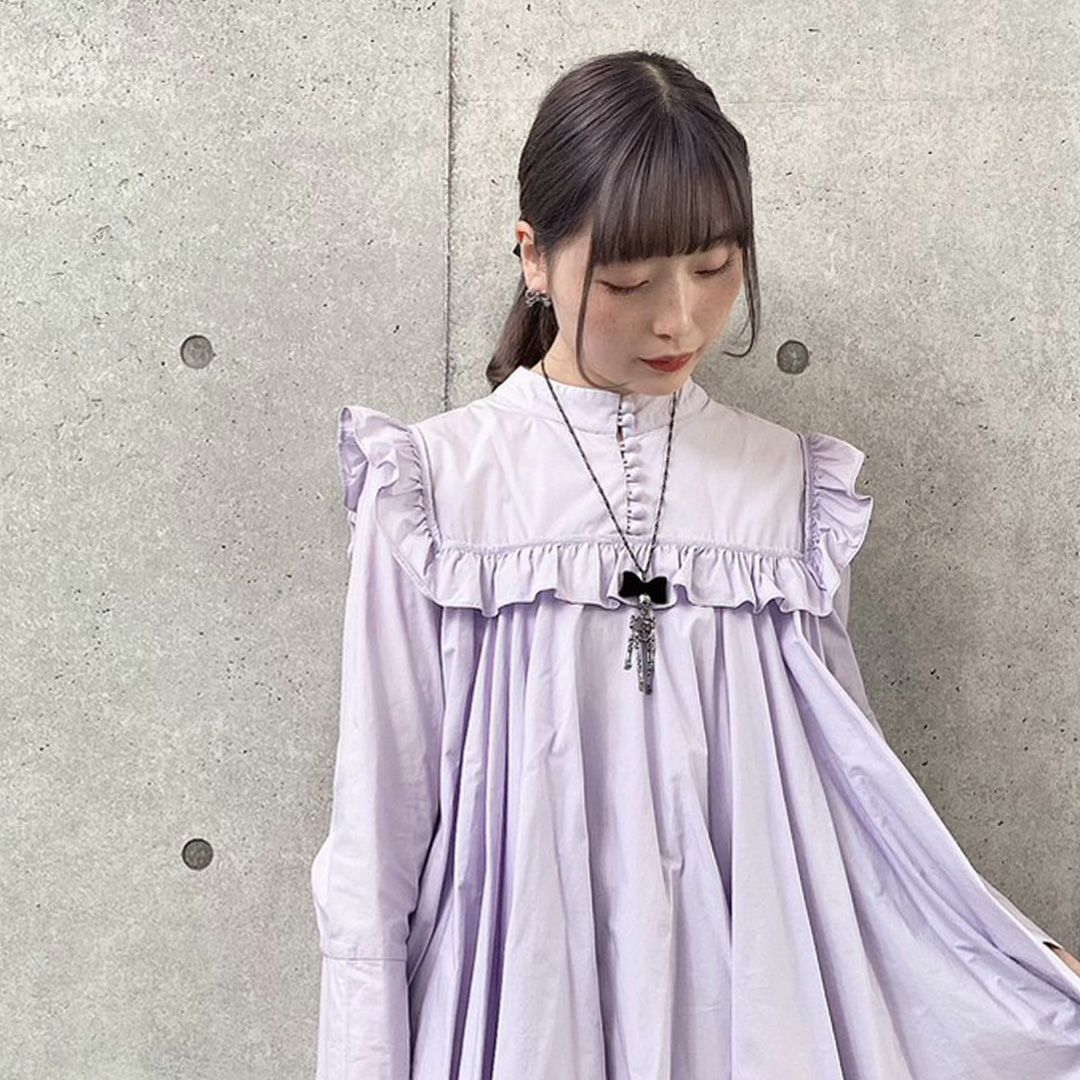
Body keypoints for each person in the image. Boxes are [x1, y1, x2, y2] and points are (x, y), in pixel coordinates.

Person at [310, 49, 1080, 1080]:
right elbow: (375, 835)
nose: (678, 319)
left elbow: (851, 808)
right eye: (627, 281)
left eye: (715, 269)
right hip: (521, 1004)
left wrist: (1016, 963)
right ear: (534, 257)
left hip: (750, 1006)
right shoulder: (436, 488)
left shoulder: (788, 495)